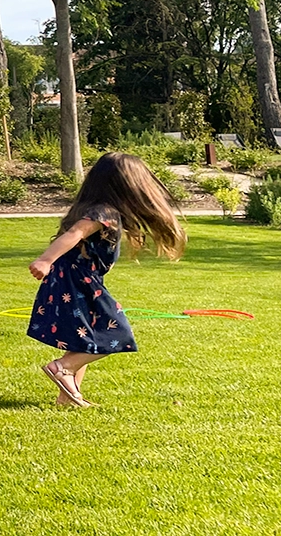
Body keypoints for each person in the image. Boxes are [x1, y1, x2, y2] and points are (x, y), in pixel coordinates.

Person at [25, 152, 185, 407]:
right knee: (115, 332)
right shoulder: (104, 211)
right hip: (79, 280)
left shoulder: (94, 208)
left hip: (73, 278)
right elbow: (76, 233)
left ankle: (68, 397)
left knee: (83, 338)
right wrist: (46, 259)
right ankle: (62, 367)